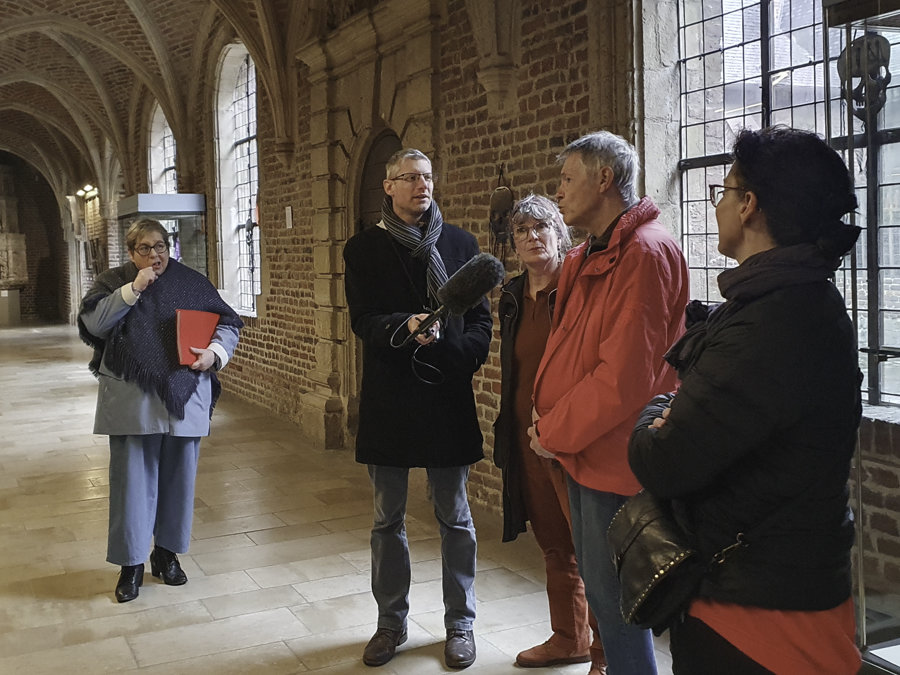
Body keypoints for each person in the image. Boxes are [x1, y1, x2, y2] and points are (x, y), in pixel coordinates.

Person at [628, 126, 862, 675]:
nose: (718, 206)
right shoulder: (781, 300)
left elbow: (665, 460)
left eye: (723, 192)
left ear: (749, 205)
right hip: (757, 580)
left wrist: (650, 416)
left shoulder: (774, 319)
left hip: (759, 611)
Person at [529, 131, 689, 674]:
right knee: (599, 589)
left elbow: (625, 378)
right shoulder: (583, 256)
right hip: (579, 445)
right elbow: (567, 347)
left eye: (568, 179)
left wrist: (552, 431)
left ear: (604, 180)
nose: (558, 192)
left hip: (613, 451)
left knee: (617, 596)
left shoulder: (645, 253)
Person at [343, 148, 492, 669]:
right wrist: (403, 327)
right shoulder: (364, 249)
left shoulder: (460, 244)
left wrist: (458, 354)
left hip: (447, 396)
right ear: (388, 187)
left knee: (455, 516)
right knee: (388, 520)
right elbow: (362, 319)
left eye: (427, 177)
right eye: (408, 178)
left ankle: (461, 624)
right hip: (391, 396)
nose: (420, 185)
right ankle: (390, 623)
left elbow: (480, 325)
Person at [78, 218, 242, 604]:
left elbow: (228, 322)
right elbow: (94, 324)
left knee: (179, 482)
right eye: (145, 249)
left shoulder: (190, 281)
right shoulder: (112, 281)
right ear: (131, 252)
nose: (154, 255)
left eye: (161, 247)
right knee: (132, 485)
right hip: (131, 398)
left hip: (185, 395)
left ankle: (166, 555)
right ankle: (130, 565)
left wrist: (215, 353)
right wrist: (132, 290)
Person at [493, 194, 606, 674]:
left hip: (575, 437)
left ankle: (606, 654)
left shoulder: (581, 289)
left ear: (561, 234)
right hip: (526, 437)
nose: (532, 237)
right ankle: (569, 638)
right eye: (522, 231)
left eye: (542, 227)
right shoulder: (513, 296)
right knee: (554, 542)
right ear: (513, 243)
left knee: (593, 549)